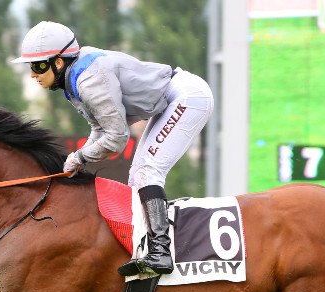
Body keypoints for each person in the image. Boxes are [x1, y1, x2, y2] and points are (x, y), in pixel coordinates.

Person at [12, 21, 214, 277]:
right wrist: (79, 158)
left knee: (148, 172)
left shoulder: (88, 80)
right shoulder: (75, 76)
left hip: (187, 97)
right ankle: (148, 248)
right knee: (136, 177)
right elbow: (100, 129)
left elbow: (117, 138)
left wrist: (80, 157)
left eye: (38, 66)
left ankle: (161, 252)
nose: (33, 74)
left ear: (59, 62)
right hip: (170, 99)